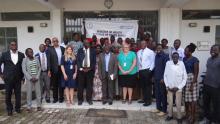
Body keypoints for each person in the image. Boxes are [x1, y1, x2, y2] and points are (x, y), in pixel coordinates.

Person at [0, 41, 25, 116]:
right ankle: (9, 109)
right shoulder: (4, 54)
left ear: (16, 45)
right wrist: (1, 74)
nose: (14, 46)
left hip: (18, 77)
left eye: (15, 44)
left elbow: (23, 66)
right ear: (9, 46)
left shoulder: (21, 54)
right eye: (12, 45)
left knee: (18, 94)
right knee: (8, 94)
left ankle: (18, 108)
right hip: (8, 78)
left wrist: (23, 77)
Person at [164, 52, 187, 124]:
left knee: (178, 103)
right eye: (173, 57)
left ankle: (179, 117)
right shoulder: (168, 63)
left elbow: (185, 77)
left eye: (176, 57)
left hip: (178, 88)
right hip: (170, 88)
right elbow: (165, 75)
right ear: (172, 57)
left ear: (178, 57)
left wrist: (179, 87)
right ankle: (170, 115)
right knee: (170, 102)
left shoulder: (182, 64)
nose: (175, 58)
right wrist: (167, 86)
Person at [203, 44, 220, 123]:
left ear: (219, 50)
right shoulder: (209, 59)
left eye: (215, 49)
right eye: (212, 49)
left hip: (216, 87)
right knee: (206, 104)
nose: (213, 51)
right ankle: (207, 119)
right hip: (206, 85)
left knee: (216, 105)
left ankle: (214, 121)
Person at [183, 43, 199, 124]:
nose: (184, 52)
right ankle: (187, 114)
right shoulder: (184, 59)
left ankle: (193, 117)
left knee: (192, 100)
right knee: (186, 100)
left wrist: (192, 85)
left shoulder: (195, 60)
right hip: (185, 80)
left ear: (190, 52)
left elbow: (196, 73)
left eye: (186, 51)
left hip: (192, 80)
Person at [77, 39, 96, 105]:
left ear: (89, 44)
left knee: (89, 86)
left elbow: (94, 62)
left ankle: (89, 99)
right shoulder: (80, 50)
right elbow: (78, 61)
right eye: (85, 43)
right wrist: (81, 69)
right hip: (81, 71)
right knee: (80, 86)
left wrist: (90, 68)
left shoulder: (93, 51)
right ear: (83, 44)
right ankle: (80, 100)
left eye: (88, 43)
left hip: (89, 71)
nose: (86, 44)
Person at [137, 40, 155, 106]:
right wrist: (138, 71)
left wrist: (150, 70)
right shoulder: (138, 52)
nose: (142, 44)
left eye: (143, 43)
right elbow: (138, 63)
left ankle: (148, 101)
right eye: (141, 43)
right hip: (141, 71)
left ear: (146, 44)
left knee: (148, 87)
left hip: (147, 70)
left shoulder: (150, 52)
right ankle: (144, 99)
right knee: (143, 86)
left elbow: (153, 62)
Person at [153, 44, 169, 116]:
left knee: (163, 95)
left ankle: (164, 110)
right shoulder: (156, 56)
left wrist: (163, 77)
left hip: (162, 79)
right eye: (157, 48)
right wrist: (153, 76)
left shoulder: (165, 56)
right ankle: (158, 108)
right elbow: (155, 67)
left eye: (159, 48)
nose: (158, 49)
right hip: (156, 78)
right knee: (157, 94)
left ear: (162, 48)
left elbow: (167, 68)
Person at [48, 37, 65, 103]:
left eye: (56, 41)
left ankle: (61, 97)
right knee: (54, 84)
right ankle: (55, 98)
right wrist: (49, 70)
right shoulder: (50, 49)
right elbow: (48, 60)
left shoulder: (62, 48)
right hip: (54, 68)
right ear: (52, 42)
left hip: (61, 68)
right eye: (53, 41)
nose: (55, 42)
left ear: (58, 41)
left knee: (61, 83)